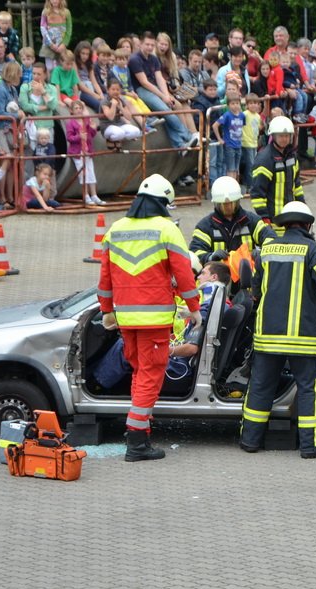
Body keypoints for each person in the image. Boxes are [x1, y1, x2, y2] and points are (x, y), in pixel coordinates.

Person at [98, 174, 200, 462]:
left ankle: (139, 431)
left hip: (125, 320)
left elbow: (104, 279)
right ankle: (137, 441)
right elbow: (183, 274)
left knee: (139, 372)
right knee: (150, 375)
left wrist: (107, 311)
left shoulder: (115, 229)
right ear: (162, 203)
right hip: (154, 320)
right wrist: (193, 307)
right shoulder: (167, 229)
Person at [239, 201, 316, 458]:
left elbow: (255, 289)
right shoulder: (314, 250)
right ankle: (311, 446)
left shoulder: (266, 249)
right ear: (308, 224)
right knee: (310, 388)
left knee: (260, 387)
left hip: (267, 336)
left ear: (283, 224)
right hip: (301, 337)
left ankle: (250, 441)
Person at [189, 175, 268, 264]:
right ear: (216, 203)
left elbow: (270, 239)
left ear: (238, 200)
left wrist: (261, 253)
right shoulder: (205, 226)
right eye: (223, 204)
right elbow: (195, 253)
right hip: (218, 276)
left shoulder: (251, 220)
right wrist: (210, 256)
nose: (228, 207)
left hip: (247, 275)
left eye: (232, 203)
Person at [250, 115, 303, 224]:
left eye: (287, 136)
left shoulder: (291, 156)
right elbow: (257, 194)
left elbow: (296, 185)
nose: (284, 139)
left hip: (291, 219)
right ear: (273, 136)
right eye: (281, 136)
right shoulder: (265, 159)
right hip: (273, 222)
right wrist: (265, 218)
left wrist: (302, 208)